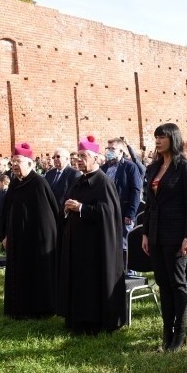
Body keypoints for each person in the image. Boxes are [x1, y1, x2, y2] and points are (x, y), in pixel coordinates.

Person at [58, 136, 126, 334]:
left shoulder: (104, 182)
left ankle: (94, 321)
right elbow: (66, 204)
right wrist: (66, 210)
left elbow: (108, 212)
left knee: (92, 283)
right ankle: (78, 320)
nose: (79, 160)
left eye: (83, 156)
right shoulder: (78, 181)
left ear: (96, 158)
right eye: (77, 156)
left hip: (95, 245)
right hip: (77, 242)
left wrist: (81, 208)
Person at [141, 124, 187, 352]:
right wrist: (145, 232)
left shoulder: (184, 167)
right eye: (156, 137)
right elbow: (149, 204)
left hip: (176, 235)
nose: (157, 140)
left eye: (162, 136)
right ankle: (167, 331)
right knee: (163, 284)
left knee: (177, 284)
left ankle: (181, 332)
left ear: (173, 138)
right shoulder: (154, 167)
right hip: (155, 233)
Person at [0, 142, 62, 319]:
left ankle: (40, 310)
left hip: (36, 241)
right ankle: (18, 308)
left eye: (18, 161)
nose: (14, 165)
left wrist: (40, 240)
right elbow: (7, 211)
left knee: (38, 274)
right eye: (12, 161)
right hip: (17, 238)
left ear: (29, 163)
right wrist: (5, 235)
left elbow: (47, 218)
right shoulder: (14, 183)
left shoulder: (38, 183)